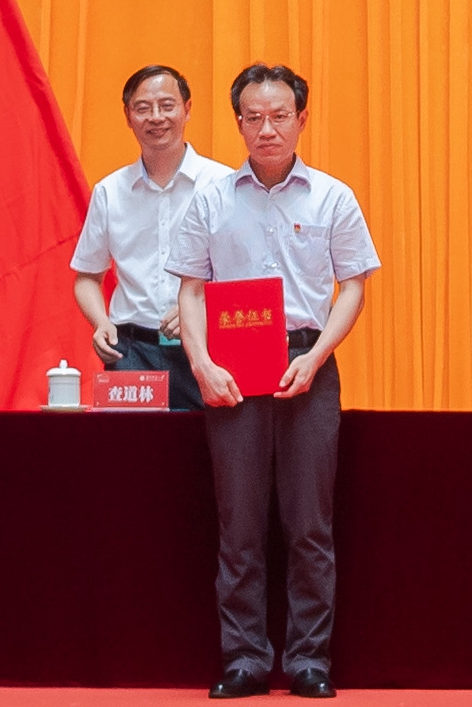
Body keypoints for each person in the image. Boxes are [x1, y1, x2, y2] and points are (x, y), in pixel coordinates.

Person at [166, 64, 381, 697]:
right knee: (239, 525)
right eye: (254, 117)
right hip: (231, 371)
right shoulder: (211, 199)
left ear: (301, 119)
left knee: (310, 524)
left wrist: (317, 358)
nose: (267, 129)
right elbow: (191, 290)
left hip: (308, 364)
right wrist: (202, 364)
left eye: (280, 116)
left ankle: (310, 660)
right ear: (238, 122)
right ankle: (245, 660)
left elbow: (353, 287)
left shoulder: (333, 197)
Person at [70, 65, 233, 410]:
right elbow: (87, 277)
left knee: (206, 443)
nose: (156, 117)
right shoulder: (110, 192)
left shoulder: (224, 186)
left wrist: (201, 308)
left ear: (187, 109)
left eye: (167, 105)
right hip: (131, 352)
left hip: (206, 348)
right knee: (131, 444)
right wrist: (101, 322)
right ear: (128, 117)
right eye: (143, 108)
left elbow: (246, 274)